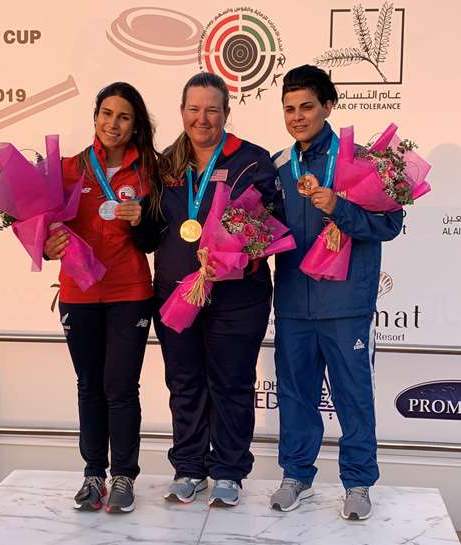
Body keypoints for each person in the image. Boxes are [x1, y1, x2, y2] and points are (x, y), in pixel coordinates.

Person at [270, 65, 403, 520]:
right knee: (293, 393)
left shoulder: (362, 161)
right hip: (291, 303)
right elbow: (264, 231)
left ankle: (359, 481)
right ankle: (296, 475)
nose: (297, 117)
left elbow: (389, 225)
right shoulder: (277, 167)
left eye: (307, 106)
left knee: (352, 394)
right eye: (289, 109)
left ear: (329, 106)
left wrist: (339, 207)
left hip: (346, 304)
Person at [151, 72, 277, 507]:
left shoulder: (253, 161)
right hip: (177, 294)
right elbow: (153, 232)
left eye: (211, 109)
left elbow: (271, 230)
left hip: (237, 298)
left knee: (231, 383)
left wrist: (238, 253)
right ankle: (188, 467)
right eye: (193, 109)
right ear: (182, 111)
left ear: (226, 111)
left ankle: (228, 472)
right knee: (184, 383)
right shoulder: (164, 164)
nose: (201, 118)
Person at [44, 82, 160, 513]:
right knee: (89, 386)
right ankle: (94, 474)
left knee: (121, 386)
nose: (113, 123)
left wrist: (140, 221)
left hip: (129, 291)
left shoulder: (149, 172)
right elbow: (46, 228)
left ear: (135, 127)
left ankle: (124, 477)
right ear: (96, 117)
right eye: (107, 114)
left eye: (124, 117)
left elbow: (153, 241)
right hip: (79, 292)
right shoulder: (70, 168)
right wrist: (43, 247)